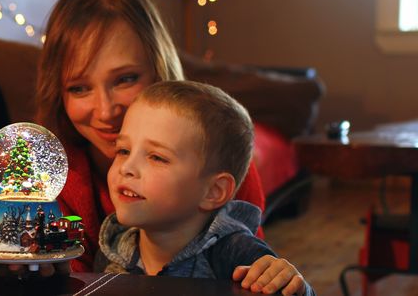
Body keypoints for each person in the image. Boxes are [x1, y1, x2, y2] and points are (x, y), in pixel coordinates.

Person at [35, 0, 265, 273]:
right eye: (79, 88)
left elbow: (253, 271)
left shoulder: (219, 159)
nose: (106, 111)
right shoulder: (51, 180)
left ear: (159, 72)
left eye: (125, 79)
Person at [98, 81, 314, 296]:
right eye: (123, 150)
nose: (126, 167)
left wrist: (294, 287)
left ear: (214, 191)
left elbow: (283, 286)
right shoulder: (111, 248)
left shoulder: (238, 255)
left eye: (157, 157)